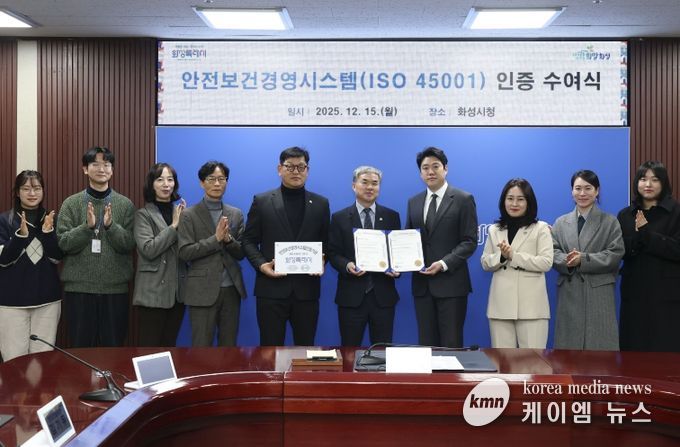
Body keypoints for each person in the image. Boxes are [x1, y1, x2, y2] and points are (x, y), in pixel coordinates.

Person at [243, 146, 330, 346]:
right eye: (290, 167)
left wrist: (323, 260)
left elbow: (327, 242)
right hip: (271, 290)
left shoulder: (321, 203)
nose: (296, 172)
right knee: (270, 350)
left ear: (307, 170)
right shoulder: (262, 201)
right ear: (279, 169)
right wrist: (262, 265)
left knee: (305, 348)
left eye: (301, 167)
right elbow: (248, 240)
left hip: (306, 290)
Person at [57, 147, 136, 347]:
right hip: (79, 290)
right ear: (85, 169)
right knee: (81, 350)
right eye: (95, 164)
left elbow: (129, 244)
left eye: (106, 164)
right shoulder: (71, 203)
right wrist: (87, 227)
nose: (102, 169)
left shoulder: (125, 204)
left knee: (113, 351)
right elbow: (63, 243)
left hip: (115, 290)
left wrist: (111, 226)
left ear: (112, 170)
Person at [405, 147, 478, 348]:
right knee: (426, 345)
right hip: (422, 286)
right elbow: (408, 239)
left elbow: (469, 241)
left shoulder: (463, 199)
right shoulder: (413, 202)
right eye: (425, 168)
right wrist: (397, 263)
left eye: (435, 166)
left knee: (451, 345)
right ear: (420, 173)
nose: (430, 172)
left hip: (452, 285)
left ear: (445, 169)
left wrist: (444, 263)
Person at [328, 166, 401, 346]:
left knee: (383, 351)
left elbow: (397, 251)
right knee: (349, 350)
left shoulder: (392, 216)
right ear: (354, 186)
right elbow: (333, 253)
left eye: (375, 183)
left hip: (383, 297)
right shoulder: (339, 217)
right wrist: (347, 265)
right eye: (365, 182)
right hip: (351, 297)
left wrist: (397, 268)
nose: (370, 187)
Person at [552, 170, 624, 350]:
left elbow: (615, 254)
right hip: (570, 293)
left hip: (598, 294)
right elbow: (552, 252)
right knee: (568, 353)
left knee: (600, 352)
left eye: (588, 188)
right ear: (572, 191)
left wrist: (583, 260)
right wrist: (568, 261)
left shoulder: (610, 222)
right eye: (578, 188)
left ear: (597, 191)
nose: (582, 193)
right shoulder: (560, 223)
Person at [178, 161, 246, 347]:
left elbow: (241, 253)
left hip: (231, 289)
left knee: (229, 346)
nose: (217, 183)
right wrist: (215, 239)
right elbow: (184, 252)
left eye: (221, 179)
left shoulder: (236, 214)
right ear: (202, 183)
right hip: (201, 290)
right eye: (211, 179)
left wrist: (228, 240)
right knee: (201, 346)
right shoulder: (189, 214)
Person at [481, 178, 552, 348]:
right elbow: (485, 262)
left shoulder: (541, 228)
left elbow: (546, 262)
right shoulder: (494, 229)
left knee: (533, 361)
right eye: (510, 198)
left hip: (532, 308)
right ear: (503, 201)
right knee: (502, 361)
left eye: (520, 199)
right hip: (500, 307)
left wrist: (514, 256)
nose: (514, 204)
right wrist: (502, 257)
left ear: (529, 202)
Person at [617, 161, 680, 352]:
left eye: (655, 179)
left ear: (664, 183)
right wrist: (637, 239)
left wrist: (647, 235)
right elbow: (619, 250)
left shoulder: (676, 212)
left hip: (666, 295)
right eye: (643, 179)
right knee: (633, 350)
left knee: (665, 350)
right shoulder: (626, 215)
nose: (648, 184)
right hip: (634, 293)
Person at [0, 171, 62, 361]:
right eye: (26, 188)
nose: (32, 193)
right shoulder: (5, 220)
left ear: (43, 191)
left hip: (48, 300)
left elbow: (57, 258)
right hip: (11, 302)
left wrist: (47, 233)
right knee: (13, 359)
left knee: (42, 360)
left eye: (37, 188)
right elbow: (4, 260)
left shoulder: (51, 219)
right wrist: (20, 236)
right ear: (17, 192)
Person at [133, 163, 187, 347]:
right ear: (151, 184)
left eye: (170, 179)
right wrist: (174, 226)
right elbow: (148, 249)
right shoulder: (143, 215)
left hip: (177, 293)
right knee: (149, 349)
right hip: (153, 293)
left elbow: (187, 250)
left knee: (170, 346)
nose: (166, 184)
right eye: (160, 179)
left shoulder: (181, 213)